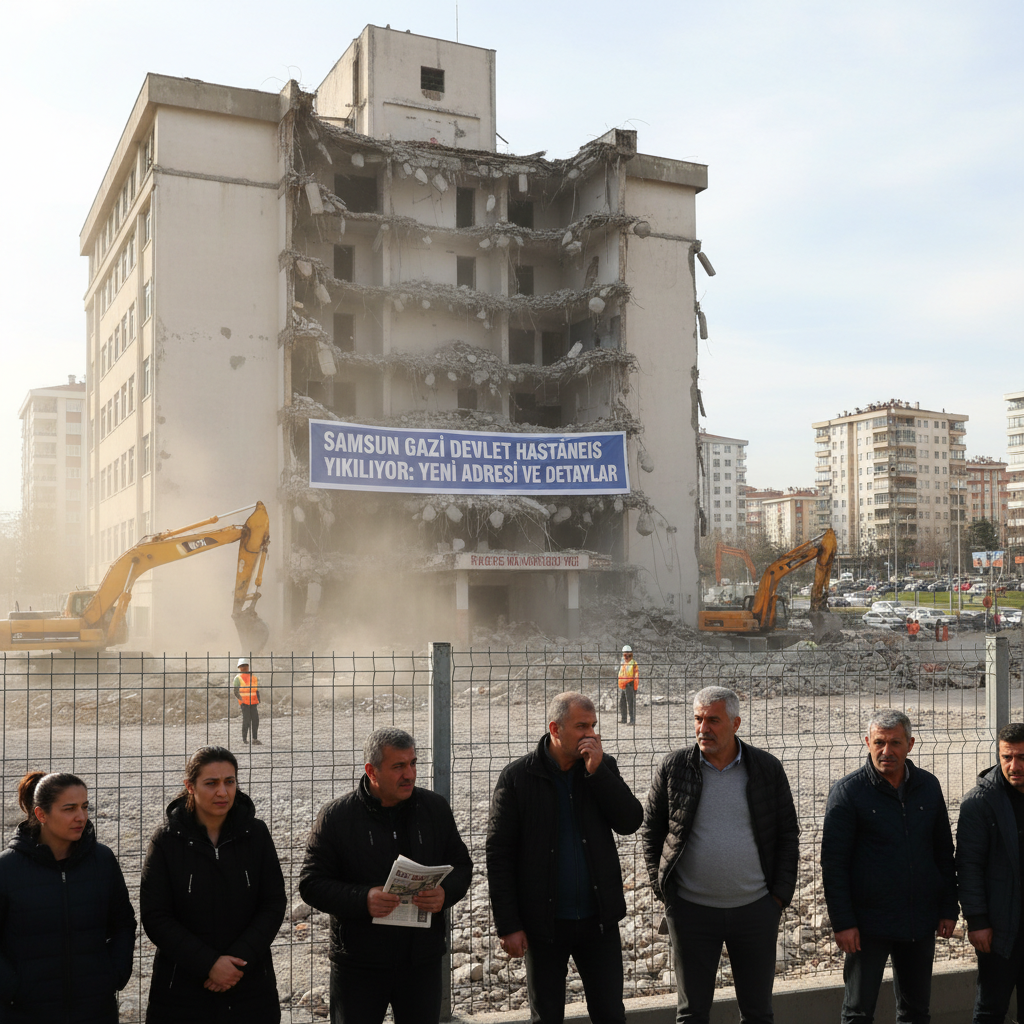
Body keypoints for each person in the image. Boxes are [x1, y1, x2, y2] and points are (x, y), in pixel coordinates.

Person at [642, 685, 798, 1024]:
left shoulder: (766, 769)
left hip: (756, 910)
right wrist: (667, 896)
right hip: (691, 913)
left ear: (735, 723)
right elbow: (652, 833)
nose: (703, 728)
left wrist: (778, 899)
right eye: (698, 719)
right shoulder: (674, 768)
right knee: (692, 1013)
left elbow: (787, 835)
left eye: (713, 720)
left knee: (758, 1012)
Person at [486, 691, 643, 1024]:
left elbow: (630, 821)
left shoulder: (602, 767)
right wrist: (509, 924)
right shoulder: (518, 778)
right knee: (547, 1016)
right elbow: (499, 853)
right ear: (555, 729)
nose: (591, 735)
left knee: (611, 1013)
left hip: (598, 919)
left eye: (593, 726)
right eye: (581, 726)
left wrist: (599, 773)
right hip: (545, 925)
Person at [299, 727, 472, 1024]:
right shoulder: (337, 817)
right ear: (372, 771)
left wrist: (445, 894)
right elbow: (311, 883)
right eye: (398, 767)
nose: (410, 774)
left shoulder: (434, 809)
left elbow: (461, 865)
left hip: (422, 960)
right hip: (360, 962)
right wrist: (363, 898)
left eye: (413, 763)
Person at [821, 709, 957, 1024]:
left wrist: (949, 907)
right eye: (879, 742)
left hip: (919, 920)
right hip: (866, 925)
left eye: (895, 743)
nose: (886, 751)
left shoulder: (928, 786)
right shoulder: (848, 792)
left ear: (910, 744)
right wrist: (843, 923)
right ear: (867, 742)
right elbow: (834, 862)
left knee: (915, 1012)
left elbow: (943, 851)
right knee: (857, 1012)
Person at [140, 746, 287, 1024]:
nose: (222, 792)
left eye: (229, 782)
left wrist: (236, 961)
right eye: (211, 783)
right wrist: (208, 964)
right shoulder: (167, 841)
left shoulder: (256, 834)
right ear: (190, 786)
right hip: (182, 991)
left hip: (249, 984)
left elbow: (273, 903)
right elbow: (156, 916)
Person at [0, 771, 136, 1024]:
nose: (81, 817)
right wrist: (11, 988)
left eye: (85, 807)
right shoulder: (7, 869)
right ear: (41, 814)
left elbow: (123, 923)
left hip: (95, 1009)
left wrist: (114, 973)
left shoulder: (102, 861)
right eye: (69, 808)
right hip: (26, 1012)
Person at [957, 721, 1024, 1023]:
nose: (1014, 765)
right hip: (999, 929)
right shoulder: (979, 803)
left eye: (1022, 757)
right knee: (990, 1010)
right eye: (1007, 757)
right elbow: (968, 867)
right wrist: (978, 921)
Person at [233, 657, 261, 744]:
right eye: (242, 666)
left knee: (255, 720)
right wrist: (241, 701)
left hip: (253, 703)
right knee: (246, 721)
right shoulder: (237, 678)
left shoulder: (254, 677)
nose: (244, 667)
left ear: (248, 666)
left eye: (245, 666)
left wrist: (258, 699)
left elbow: (256, 690)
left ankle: (254, 739)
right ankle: (245, 739)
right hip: (245, 704)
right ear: (239, 668)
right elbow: (236, 691)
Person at [618, 645, 639, 725]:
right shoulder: (624, 663)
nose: (626, 655)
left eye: (627, 654)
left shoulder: (632, 663)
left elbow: (632, 676)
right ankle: (624, 719)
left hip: (630, 684)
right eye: (624, 653)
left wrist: (633, 687)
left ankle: (632, 720)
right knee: (622, 702)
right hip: (624, 685)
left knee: (630, 703)